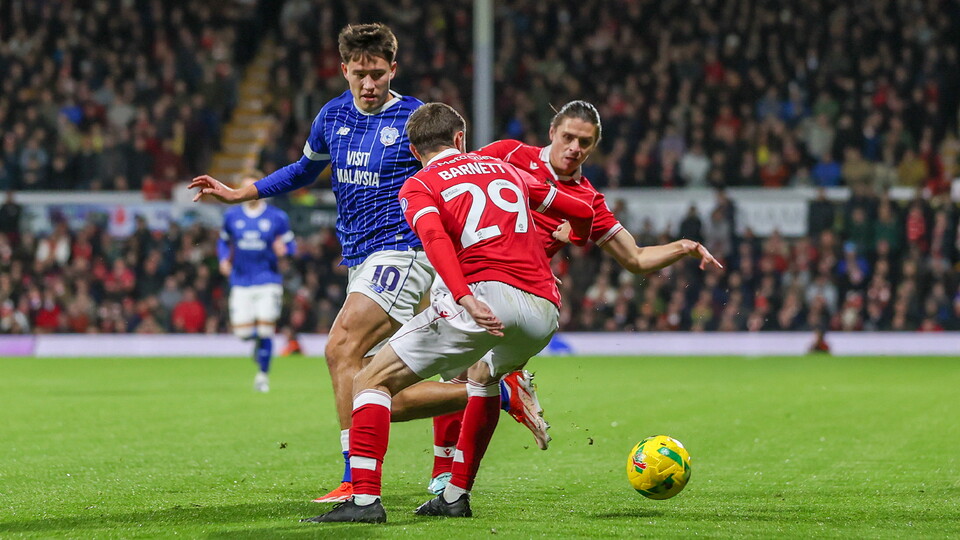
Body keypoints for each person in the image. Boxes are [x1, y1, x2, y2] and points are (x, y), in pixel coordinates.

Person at [187, 23, 545, 503]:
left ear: (393, 69)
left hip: (404, 250)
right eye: (360, 74)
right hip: (361, 258)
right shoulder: (332, 115)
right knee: (376, 387)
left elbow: (460, 184)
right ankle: (490, 394)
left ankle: (355, 479)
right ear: (344, 70)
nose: (369, 84)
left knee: (341, 347)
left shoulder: (416, 121)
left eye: (378, 73)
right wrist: (242, 192)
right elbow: (303, 169)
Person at [303, 102, 595, 524]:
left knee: (368, 378)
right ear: (460, 138)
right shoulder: (505, 169)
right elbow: (582, 211)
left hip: (484, 297)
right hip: (543, 310)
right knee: (482, 377)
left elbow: (435, 240)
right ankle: (455, 495)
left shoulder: (419, 184)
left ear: (413, 148)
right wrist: (579, 237)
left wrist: (464, 296)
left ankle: (363, 501)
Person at [420, 101, 724, 494]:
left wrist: (684, 245)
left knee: (464, 372)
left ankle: (446, 473)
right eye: (568, 137)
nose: (575, 147)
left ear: (594, 147)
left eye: (585, 142)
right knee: (459, 373)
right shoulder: (506, 154)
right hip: (466, 270)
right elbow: (454, 185)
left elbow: (635, 258)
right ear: (552, 132)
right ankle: (448, 473)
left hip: (510, 294)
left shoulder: (587, 201)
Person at [217, 172, 296, 392]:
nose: (248, 193)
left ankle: (262, 375)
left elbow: (291, 246)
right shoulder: (232, 216)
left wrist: (284, 251)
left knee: (266, 329)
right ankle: (259, 346)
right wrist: (223, 259)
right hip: (241, 280)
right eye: (243, 188)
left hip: (268, 280)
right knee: (242, 333)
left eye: (252, 188)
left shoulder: (276, 217)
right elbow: (223, 242)